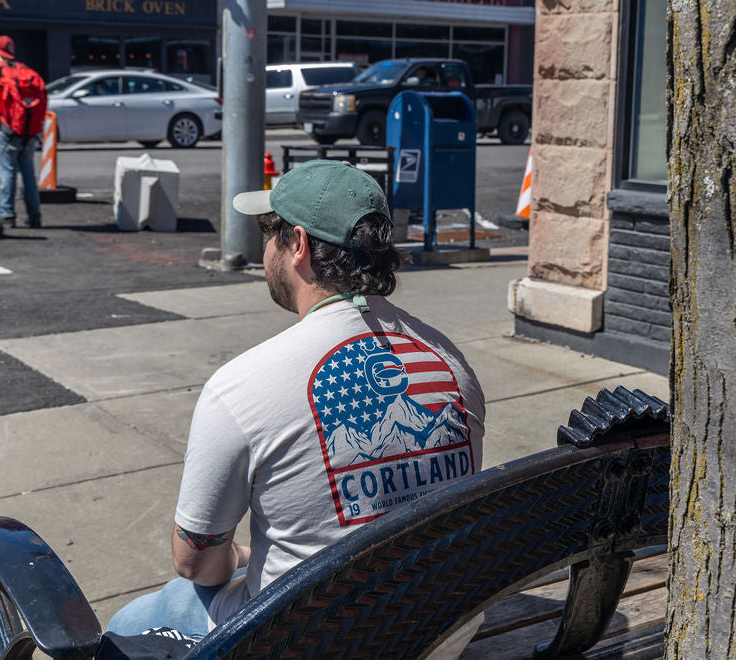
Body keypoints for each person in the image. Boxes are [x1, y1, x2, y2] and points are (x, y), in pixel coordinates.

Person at [106, 160, 486, 646]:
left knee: (129, 624)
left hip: (309, 641)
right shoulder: (449, 361)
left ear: (299, 245)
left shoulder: (241, 386)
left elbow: (196, 563)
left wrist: (239, 558)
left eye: (271, 234)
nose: (267, 249)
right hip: (441, 631)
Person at [0, 35, 42, 228]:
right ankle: (35, 216)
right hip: (28, 131)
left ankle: (7, 214)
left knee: (8, 172)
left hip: (6, 130)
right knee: (28, 174)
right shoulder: (23, 68)